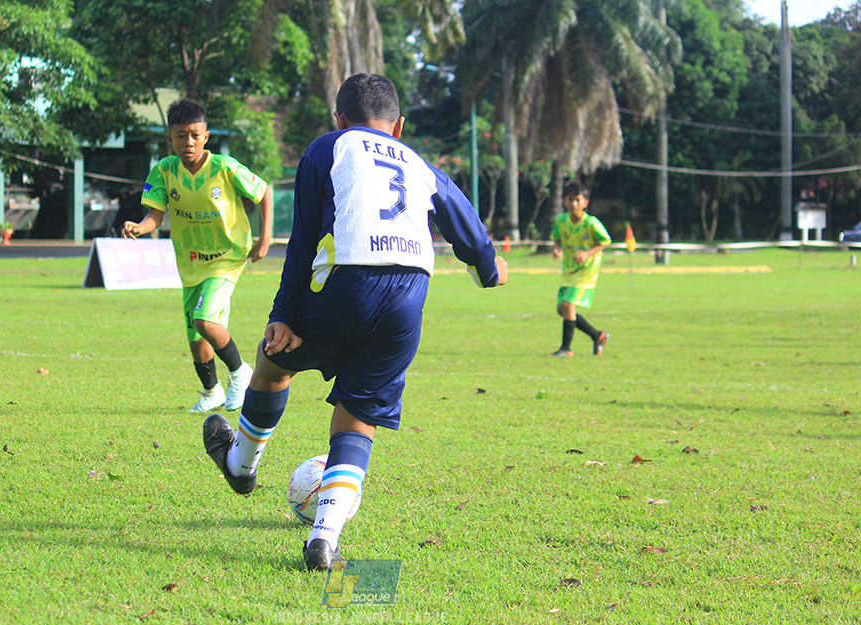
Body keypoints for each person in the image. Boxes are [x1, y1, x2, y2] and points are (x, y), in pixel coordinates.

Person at [202, 73, 508, 571]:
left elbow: (303, 240)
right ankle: (323, 539)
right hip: (410, 294)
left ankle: (240, 467)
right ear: (400, 126)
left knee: (274, 361)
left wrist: (283, 314)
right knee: (357, 417)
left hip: (344, 282)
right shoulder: (421, 165)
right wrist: (492, 269)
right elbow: (471, 237)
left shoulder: (329, 148)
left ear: (339, 119)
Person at [123, 99, 273, 413]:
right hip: (190, 262)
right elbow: (156, 216)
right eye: (180, 135)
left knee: (205, 320)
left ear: (206, 136)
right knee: (195, 333)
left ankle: (240, 373)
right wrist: (140, 227)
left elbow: (264, 192)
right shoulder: (164, 171)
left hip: (227, 257)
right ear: (169, 139)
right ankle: (211, 392)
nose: (188, 142)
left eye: (194, 135)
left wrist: (265, 237)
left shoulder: (225, 167)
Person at [549, 180, 611, 358]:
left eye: (577, 199)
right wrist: (556, 249)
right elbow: (557, 239)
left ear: (585, 202)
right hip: (568, 270)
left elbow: (606, 241)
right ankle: (597, 335)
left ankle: (566, 349)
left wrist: (587, 253)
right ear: (564, 201)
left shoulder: (591, 223)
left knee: (568, 306)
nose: (573, 203)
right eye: (570, 199)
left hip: (586, 271)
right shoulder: (560, 221)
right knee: (562, 309)